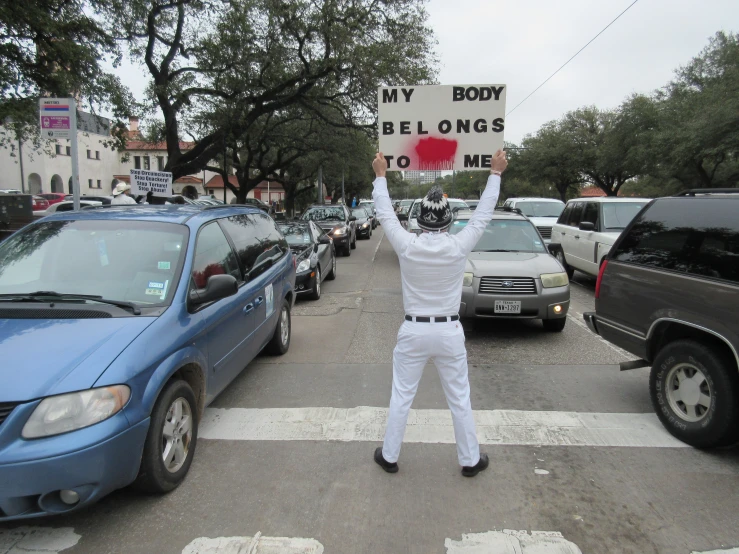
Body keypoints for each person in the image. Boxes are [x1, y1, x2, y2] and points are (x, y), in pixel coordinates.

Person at [371, 150, 507, 477]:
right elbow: (483, 214)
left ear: (420, 221)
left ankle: (389, 456)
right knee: (459, 399)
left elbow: (386, 214)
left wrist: (380, 177)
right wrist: (495, 174)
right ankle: (470, 461)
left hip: (413, 331)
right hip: (448, 332)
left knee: (401, 396)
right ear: (449, 220)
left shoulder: (407, 246)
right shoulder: (459, 246)